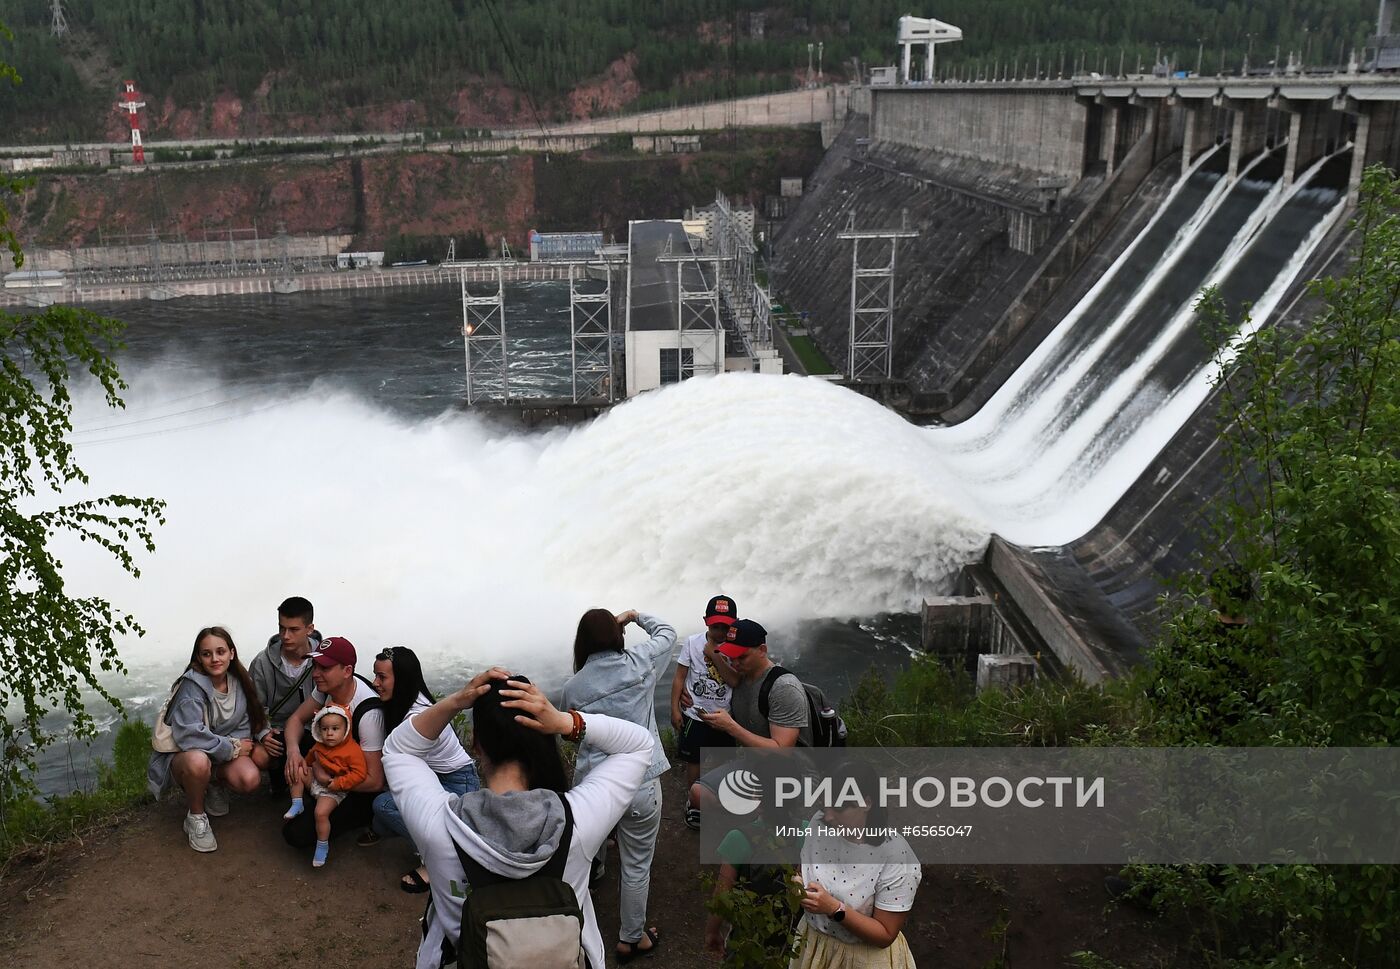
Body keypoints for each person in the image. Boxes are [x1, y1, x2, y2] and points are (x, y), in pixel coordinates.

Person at [382, 669, 654, 969]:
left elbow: (399, 749)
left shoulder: (438, 826)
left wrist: (457, 701)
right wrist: (564, 722)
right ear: (542, 738)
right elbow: (638, 744)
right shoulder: (578, 821)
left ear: (476, 744)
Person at [559, 608, 676, 962]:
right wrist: (636, 617)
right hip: (639, 783)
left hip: (596, 787)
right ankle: (630, 939)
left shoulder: (573, 687)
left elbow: (571, 733)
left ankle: (583, 898)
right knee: (637, 864)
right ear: (617, 636)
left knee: (584, 850)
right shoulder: (641, 662)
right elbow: (668, 632)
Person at [361, 645, 480, 895]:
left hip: (459, 783)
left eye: (382, 677)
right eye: (375, 675)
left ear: (401, 679)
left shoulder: (416, 716)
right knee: (384, 807)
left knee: (384, 805)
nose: (375, 683)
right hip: (439, 776)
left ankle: (441, 858)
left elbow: (404, 776)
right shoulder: (404, 701)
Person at [147, 626, 270, 852]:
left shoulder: (239, 682)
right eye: (207, 654)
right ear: (199, 658)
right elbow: (189, 737)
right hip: (185, 756)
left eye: (221, 652)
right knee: (198, 761)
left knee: (250, 779)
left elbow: (243, 726)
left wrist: (238, 745)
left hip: (218, 751)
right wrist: (233, 748)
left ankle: (212, 782)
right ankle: (195, 817)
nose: (215, 659)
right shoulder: (191, 687)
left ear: (231, 653)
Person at [790, 761, 922, 969]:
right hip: (814, 945)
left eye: (840, 808)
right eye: (825, 806)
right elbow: (805, 867)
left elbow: (885, 935)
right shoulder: (820, 823)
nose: (829, 816)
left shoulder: (895, 856)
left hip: (862, 959)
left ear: (867, 803)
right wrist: (799, 882)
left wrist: (833, 908)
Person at [690, 619, 811, 817]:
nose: (735, 663)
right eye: (731, 657)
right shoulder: (742, 677)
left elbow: (782, 752)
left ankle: (763, 821)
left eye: (742, 657)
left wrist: (731, 727)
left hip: (790, 772)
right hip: (755, 764)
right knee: (698, 794)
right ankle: (752, 820)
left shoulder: (783, 688)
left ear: (762, 650)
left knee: (765, 811)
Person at [280, 636, 386, 848]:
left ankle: (362, 818)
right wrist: (293, 753)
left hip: (355, 784)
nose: (316, 673)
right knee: (281, 742)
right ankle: (310, 796)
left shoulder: (369, 713)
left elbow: (375, 781)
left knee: (296, 835)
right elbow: (296, 719)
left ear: (347, 671)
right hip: (332, 757)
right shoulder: (326, 687)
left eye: (325, 668)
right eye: (316, 665)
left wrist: (326, 782)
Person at [671, 595, 740, 830]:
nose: (720, 631)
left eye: (726, 626)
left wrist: (714, 655)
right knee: (694, 760)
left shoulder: (735, 649)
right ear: (705, 622)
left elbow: (733, 680)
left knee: (723, 760)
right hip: (695, 715)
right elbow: (680, 676)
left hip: (724, 718)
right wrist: (674, 709)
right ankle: (694, 802)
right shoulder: (691, 642)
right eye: (715, 626)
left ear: (735, 623)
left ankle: (718, 799)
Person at [248, 595, 322, 792]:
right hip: (278, 729)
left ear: (310, 629)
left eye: (294, 629)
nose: (286, 635)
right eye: (282, 628)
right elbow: (254, 706)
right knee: (261, 755)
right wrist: (263, 734)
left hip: (317, 727)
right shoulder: (262, 663)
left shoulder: (324, 658)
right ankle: (278, 774)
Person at [283, 704, 368, 867]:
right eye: (325, 729)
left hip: (333, 789)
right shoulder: (319, 745)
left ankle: (322, 845)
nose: (329, 734)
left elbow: (359, 774)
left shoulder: (352, 751)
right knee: (297, 770)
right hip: (316, 781)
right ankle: (297, 803)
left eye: (335, 729)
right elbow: (309, 757)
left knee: (320, 813)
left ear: (346, 729)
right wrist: (303, 765)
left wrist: (337, 783)